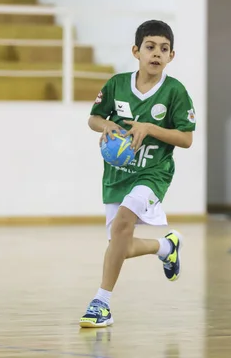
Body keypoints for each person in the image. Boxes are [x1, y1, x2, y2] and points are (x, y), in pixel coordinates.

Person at [80, 19, 196, 328]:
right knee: (120, 244)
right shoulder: (117, 84)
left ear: (171, 55)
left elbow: (186, 139)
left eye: (164, 48)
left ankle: (101, 303)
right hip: (117, 175)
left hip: (153, 173)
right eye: (150, 47)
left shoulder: (175, 92)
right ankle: (166, 247)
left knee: (122, 225)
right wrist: (106, 126)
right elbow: (93, 118)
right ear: (136, 51)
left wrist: (150, 129)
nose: (156, 53)